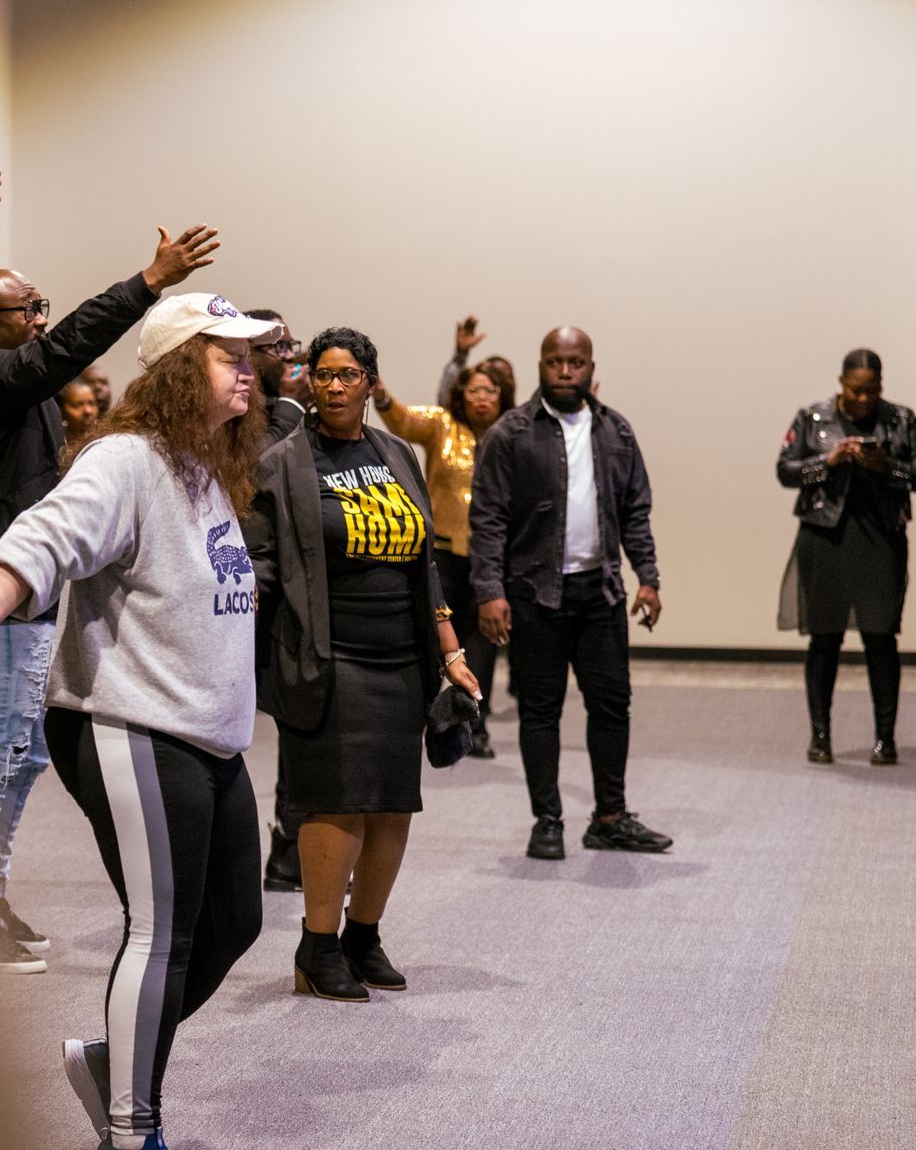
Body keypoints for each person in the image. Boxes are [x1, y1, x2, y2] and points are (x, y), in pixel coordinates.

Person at [0, 293, 280, 1150]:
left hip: (208, 733)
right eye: (229, 355)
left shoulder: (208, 464)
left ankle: (113, 1060)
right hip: (130, 725)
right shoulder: (125, 460)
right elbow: (42, 537)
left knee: (236, 921)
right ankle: (130, 1123)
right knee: (162, 932)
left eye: (250, 356)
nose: (249, 369)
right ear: (183, 367)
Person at [0, 222, 220, 973]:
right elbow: (64, 352)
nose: (40, 320)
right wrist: (147, 282)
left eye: (40, 306)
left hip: (31, 592)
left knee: (22, 761)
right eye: (27, 309)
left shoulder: (13, 388)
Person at [249, 328, 481, 1003]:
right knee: (340, 800)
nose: (333, 385)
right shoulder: (285, 462)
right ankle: (316, 945)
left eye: (348, 374)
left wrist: (450, 652)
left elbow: (423, 566)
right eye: (322, 374)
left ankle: (362, 935)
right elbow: (261, 561)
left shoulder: (398, 454)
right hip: (330, 655)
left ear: (370, 383)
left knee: (391, 806)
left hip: (400, 658)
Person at [470, 327, 672, 860]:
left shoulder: (615, 432)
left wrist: (647, 577)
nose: (565, 371)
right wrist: (489, 590)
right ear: (540, 364)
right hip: (535, 595)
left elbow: (635, 512)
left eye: (576, 362)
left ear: (590, 367)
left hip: (601, 595)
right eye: (556, 361)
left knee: (612, 706)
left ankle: (609, 816)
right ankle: (548, 821)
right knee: (541, 711)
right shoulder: (511, 433)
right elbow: (486, 519)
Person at [776, 349, 916, 765]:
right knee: (824, 638)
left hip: (880, 540)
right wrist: (826, 462)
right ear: (841, 383)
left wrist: (887, 466)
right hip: (824, 538)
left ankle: (885, 738)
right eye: (856, 390)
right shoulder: (812, 418)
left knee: (881, 637)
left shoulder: (901, 419)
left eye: (873, 390)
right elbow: (785, 471)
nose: (865, 399)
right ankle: (820, 736)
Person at [371, 359, 514, 757]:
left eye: (490, 391)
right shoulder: (442, 426)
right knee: (438, 641)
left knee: (484, 644)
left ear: (502, 397)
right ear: (460, 395)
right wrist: (381, 395)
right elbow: (402, 421)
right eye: (474, 391)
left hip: (490, 561)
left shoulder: (511, 435)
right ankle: (429, 718)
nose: (482, 398)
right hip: (444, 557)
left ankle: (475, 725)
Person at [242, 307, 308, 892]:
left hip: (288, 588)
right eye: (278, 348)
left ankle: (287, 847)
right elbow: (258, 463)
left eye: (292, 347)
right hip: (239, 581)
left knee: (295, 719)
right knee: (227, 720)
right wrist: (289, 407)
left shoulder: (300, 414)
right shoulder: (239, 407)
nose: (290, 359)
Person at [245, 308, 306, 445]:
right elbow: (252, 458)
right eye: (280, 346)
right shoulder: (237, 401)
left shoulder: (273, 397)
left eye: (290, 346)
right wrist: (291, 401)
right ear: (249, 353)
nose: (290, 355)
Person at [57, 378, 98, 447]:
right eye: (77, 405)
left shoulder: (106, 440)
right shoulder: (56, 441)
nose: (88, 411)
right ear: (61, 410)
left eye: (92, 403)